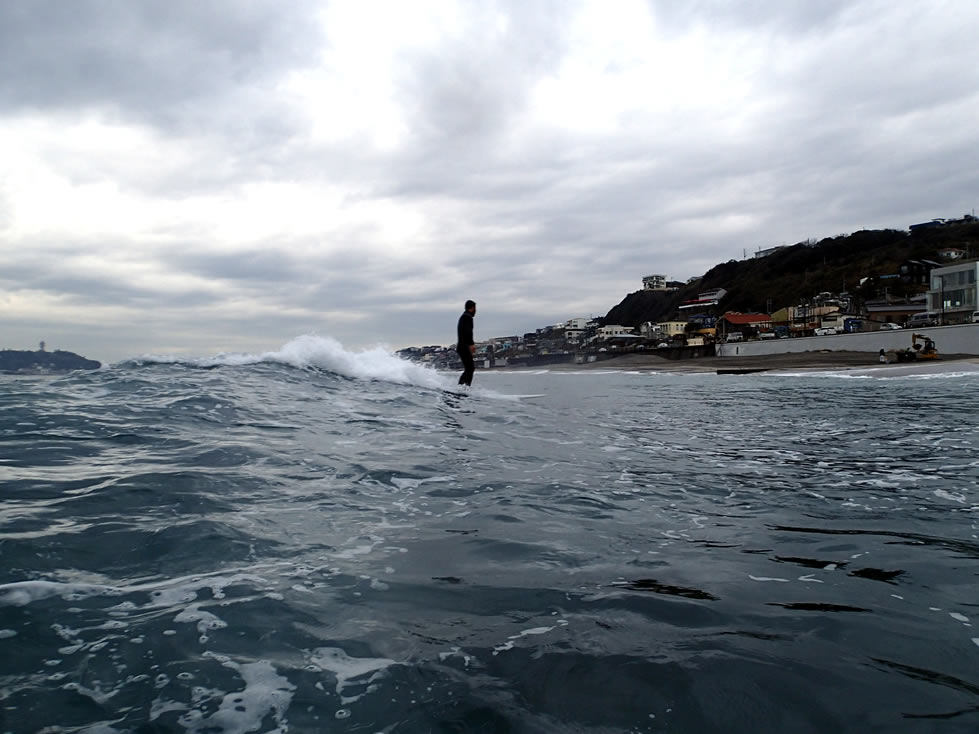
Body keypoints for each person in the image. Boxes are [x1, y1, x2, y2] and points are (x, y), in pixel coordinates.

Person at [456, 300, 477, 386]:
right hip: (464, 346)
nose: (476, 311)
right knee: (470, 368)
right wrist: (471, 344)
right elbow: (468, 332)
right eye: (475, 308)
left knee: (469, 368)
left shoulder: (464, 316)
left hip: (462, 346)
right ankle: (463, 387)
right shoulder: (467, 317)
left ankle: (462, 386)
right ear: (472, 308)